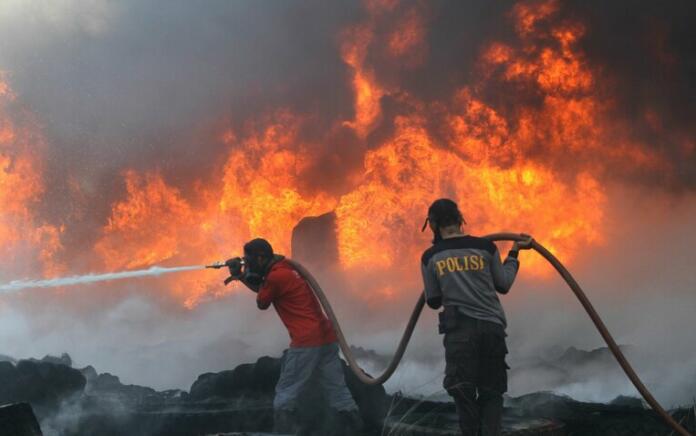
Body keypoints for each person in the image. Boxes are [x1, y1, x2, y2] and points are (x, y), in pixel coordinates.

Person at [226, 238, 362, 435]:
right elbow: (266, 291)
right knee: (338, 390)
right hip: (327, 337)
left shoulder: (275, 277)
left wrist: (241, 274)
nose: (249, 264)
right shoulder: (286, 269)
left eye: (250, 261)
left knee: (286, 392)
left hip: (306, 342)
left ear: (262, 258)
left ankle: (284, 431)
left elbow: (262, 301)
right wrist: (242, 275)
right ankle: (357, 429)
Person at [419, 199, 532, 436]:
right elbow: (504, 284)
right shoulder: (486, 248)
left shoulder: (430, 257)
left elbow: (433, 301)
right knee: (492, 393)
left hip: (460, 335)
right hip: (492, 331)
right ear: (460, 220)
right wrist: (513, 253)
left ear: (433, 224)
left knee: (463, 392)